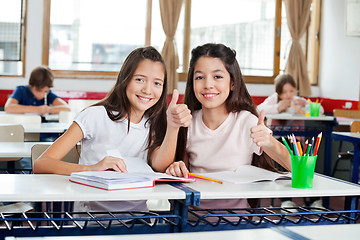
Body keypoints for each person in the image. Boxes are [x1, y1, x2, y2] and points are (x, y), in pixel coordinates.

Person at [33, 46, 192, 214]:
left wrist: (173, 127)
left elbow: (160, 165)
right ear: (125, 79)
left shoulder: (152, 123)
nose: (147, 90)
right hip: (90, 219)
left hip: (137, 218)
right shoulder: (95, 116)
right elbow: (41, 164)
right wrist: (92, 169)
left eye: (157, 83)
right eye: (139, 79)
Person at [165, 43, 291, 211]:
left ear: (232, 83)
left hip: (236, 220)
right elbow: (182, 172)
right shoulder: (188, 121)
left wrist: (269, 142)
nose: (208, 84)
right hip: (193, 218)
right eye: (199, 77)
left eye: (217, 77)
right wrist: (175, 169)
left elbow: (296, 168)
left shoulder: (247, 121)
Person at [258, 74, 323, 211]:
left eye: (291, 91)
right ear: (278, 92)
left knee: (309, 162)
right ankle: (286, 201)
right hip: (279, 144)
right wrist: (277, 107)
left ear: (296, 90)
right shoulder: (273, 100)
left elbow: (320, 111)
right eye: (284, 92)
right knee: (284, 159)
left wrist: (307, 105)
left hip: (299, 144)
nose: (288, 95)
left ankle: (315, 200)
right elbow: (259, 109)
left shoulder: (299, 101)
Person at [5, 66, 70, 115]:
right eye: (39, 91)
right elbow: (8, 108)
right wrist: (37, 109)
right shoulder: (21, 90)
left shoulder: (49, 94)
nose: (42, 95)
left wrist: (48, 109)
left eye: (45, 91)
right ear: (31, 85)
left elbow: (67, 109)